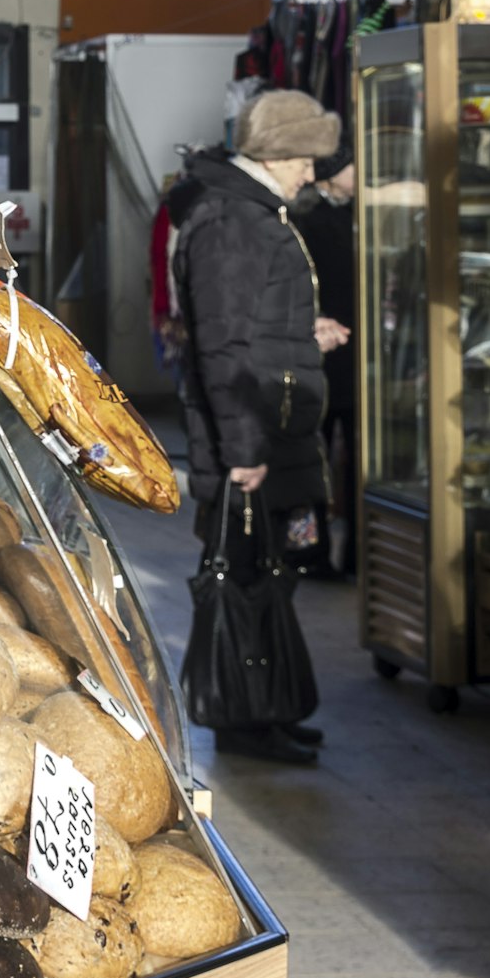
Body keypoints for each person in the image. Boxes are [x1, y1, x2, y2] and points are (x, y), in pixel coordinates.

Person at [172, 88, 345, 766]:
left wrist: (304, 333)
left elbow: (252, 327)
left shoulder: (247, 213)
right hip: (254, 442)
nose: (312, 171)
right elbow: (223, 347)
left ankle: (266, 707)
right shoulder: (233, 221)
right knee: (244, 579)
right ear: (275, 154)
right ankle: (245, 723)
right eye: (305, 157)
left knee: (272, 574)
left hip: (274, 430)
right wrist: (242, 449)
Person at [297, 147, 358, 577]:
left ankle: (351, 550)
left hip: (351, 354)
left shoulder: (358, 216)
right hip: (319, 351)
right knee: (313, 458)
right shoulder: (304, 219)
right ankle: (311, 550)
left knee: (348, 459)